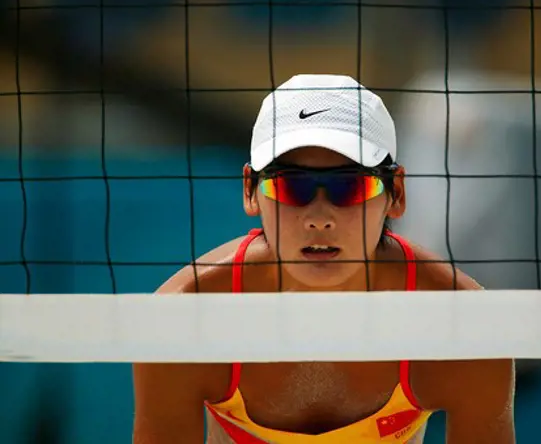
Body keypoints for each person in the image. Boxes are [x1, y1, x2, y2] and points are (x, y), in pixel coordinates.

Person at [132, 74, 515, 444]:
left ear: (396, 194)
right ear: (250, 191)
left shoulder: (465, 328)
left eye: (349, 185)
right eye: (290, 184)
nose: (319, 216)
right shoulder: (184, 319)